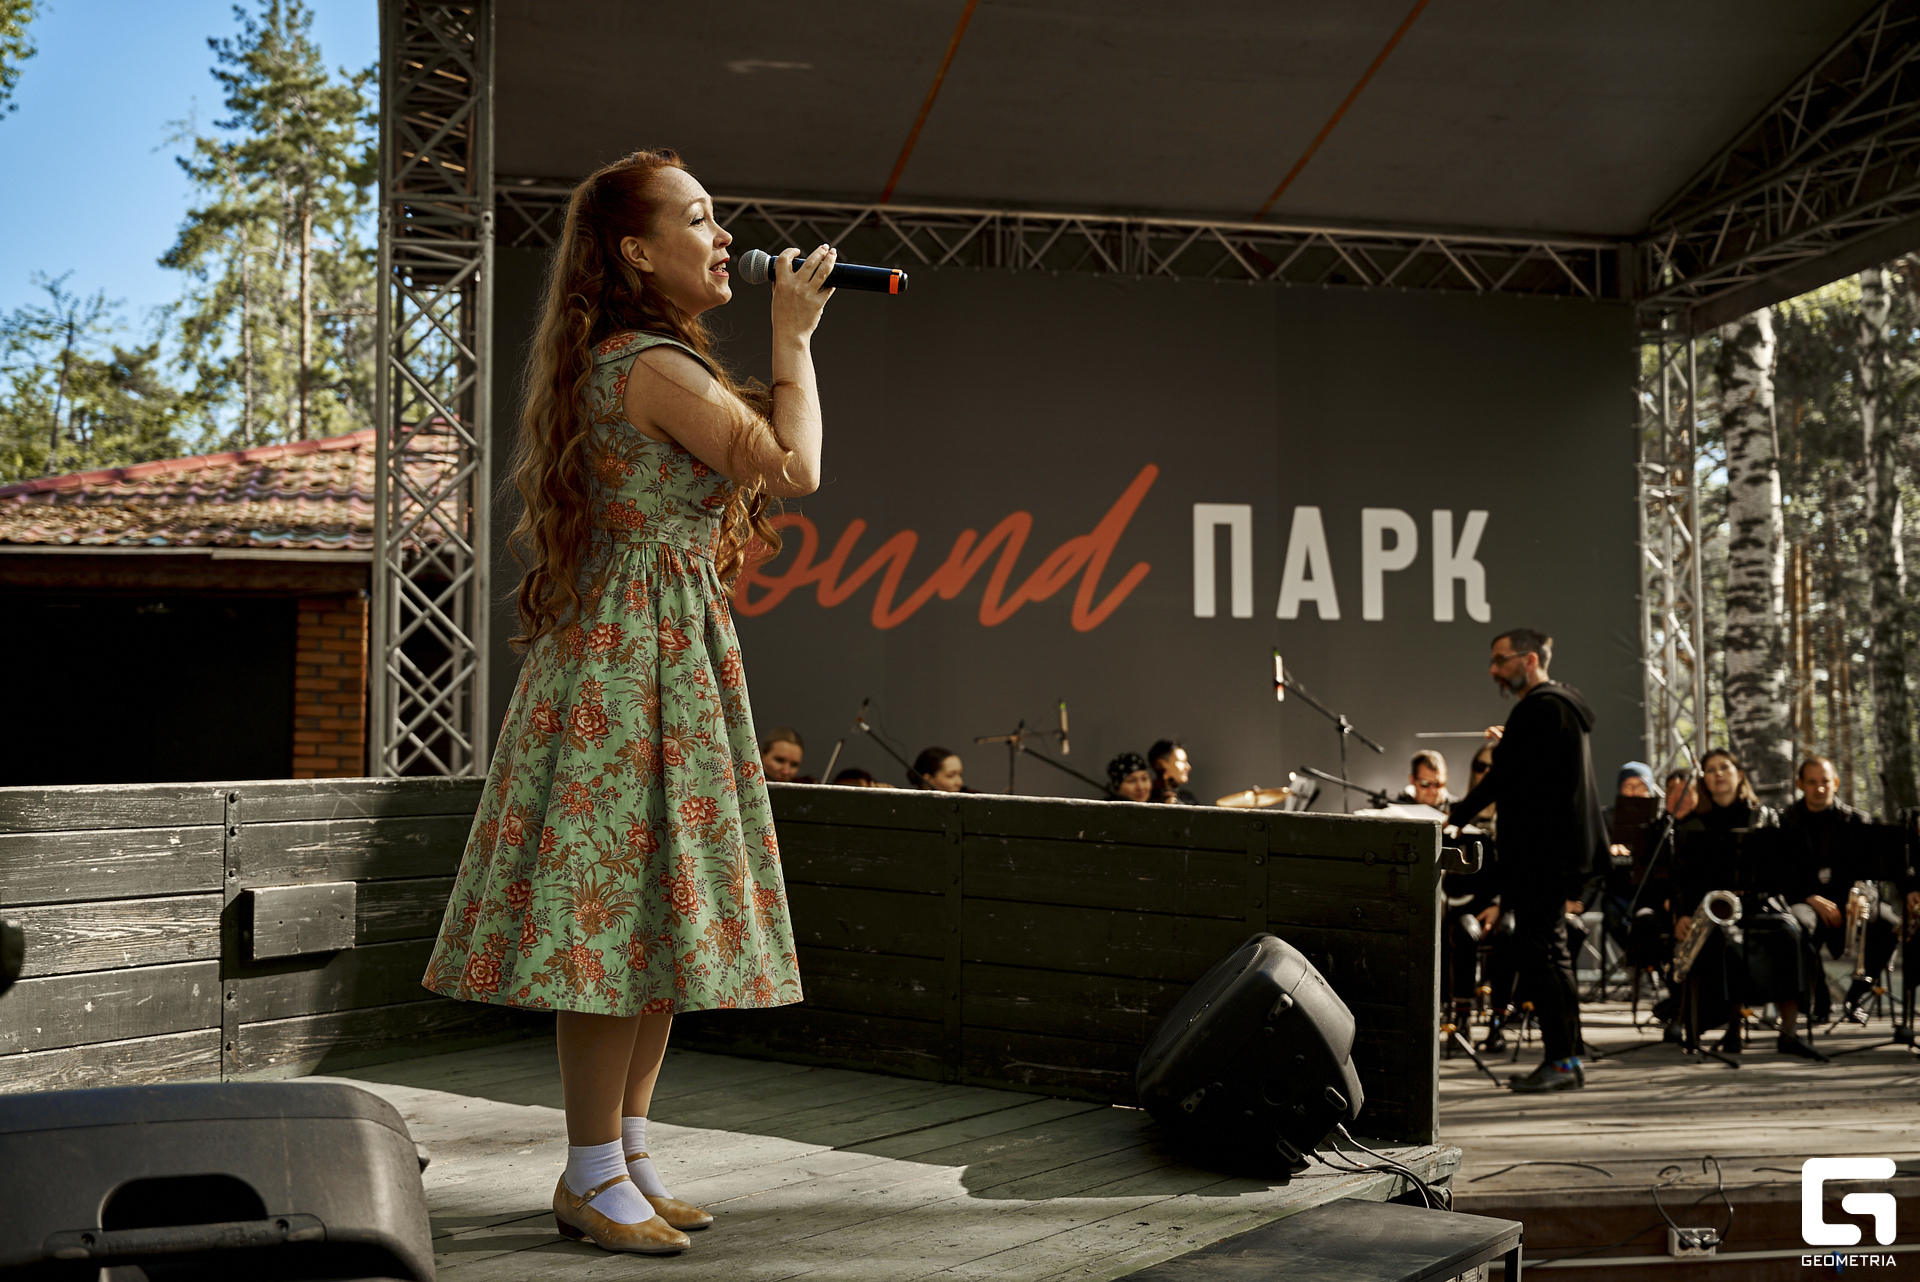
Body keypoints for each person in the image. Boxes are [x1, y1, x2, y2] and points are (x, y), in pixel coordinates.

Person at [420, 149, 837, 1254]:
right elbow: (793, 468)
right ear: (637, 253)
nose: (723, 236)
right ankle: (590, 1170)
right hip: (631, 659)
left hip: (661, 649)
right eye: (698, 218)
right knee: (606, 923)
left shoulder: (647, 359)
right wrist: (794, 338)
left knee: (648, 912)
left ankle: (626, 1159)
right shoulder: (648, 363)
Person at [1446, 628, 1605, 1092]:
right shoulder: (1563, 705)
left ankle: (1561, 1062)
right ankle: (1568, 1057)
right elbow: (1534, 768)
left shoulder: (1539, 707)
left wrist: (1456, 818)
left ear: (1530, 659)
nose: (1493, 670)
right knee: (1553, 953)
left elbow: (1503, 779)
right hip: (1559, 853)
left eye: (1501, 660)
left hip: (1540, 854)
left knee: (1540, 954)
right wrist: (1512, 742)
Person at [1672, 748, 1824, 1060]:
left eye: (1724, 767)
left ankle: (1789, 1033)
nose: (1718, 774)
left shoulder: (1765, 817)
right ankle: (1733, 1027)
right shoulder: (1691, 825)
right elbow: (1681, 879)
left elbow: (1786, 868)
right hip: (1714, 912)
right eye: (1710, 770)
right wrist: (1683, 914)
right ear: (1704, 780)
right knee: (1727, 940)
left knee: (1790, 933)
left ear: (1739, 775)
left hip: (1759, 904)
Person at [1780, 755, 1898, 1024]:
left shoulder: (1858, 821)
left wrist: (1864, 897)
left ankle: (1854, 998)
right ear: (1800, 784)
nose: (1819, 788)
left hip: (1849, 901)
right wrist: (1810, 897)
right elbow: (1781, 874)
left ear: (1835, 783)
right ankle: (1819, 998)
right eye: (1812, 782)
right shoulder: (1786, 822)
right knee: (1796, 927)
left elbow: (1872, 874)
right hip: (1805, 900)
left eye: (1825, 781)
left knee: (1890, 924)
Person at [1148, 739, 1197, 805]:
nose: (1188, 767)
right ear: (1162, 763)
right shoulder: (1145, 796)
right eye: (1182, 761)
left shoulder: (1188, 799)